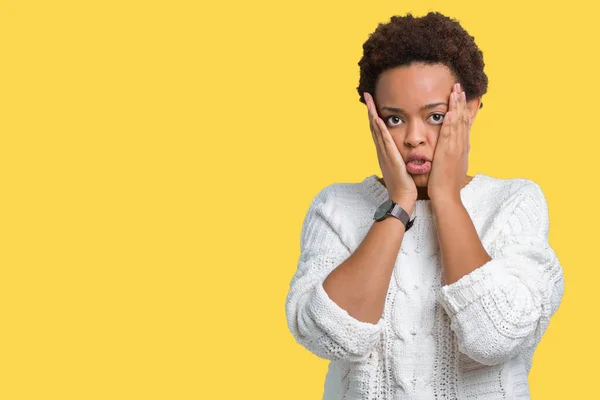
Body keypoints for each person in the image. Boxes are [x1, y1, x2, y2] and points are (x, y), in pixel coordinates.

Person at [284, 11, 565, 400]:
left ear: (470, 108)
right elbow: (327, 337)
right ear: (373, 119)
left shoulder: (514, 203)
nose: (414, 138)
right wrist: (400, 205)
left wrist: (447, 198)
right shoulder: (336, 208)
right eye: (394, 119)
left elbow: (496, 337)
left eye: (435, 116)